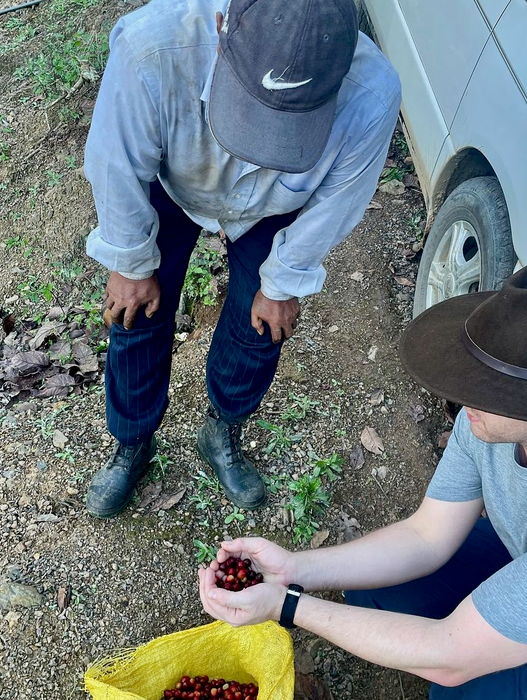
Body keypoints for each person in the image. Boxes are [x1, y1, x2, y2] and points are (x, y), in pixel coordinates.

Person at [198, 261, 527, 699]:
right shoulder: (490, 420)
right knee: (376, 590)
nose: (465, 395)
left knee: (473, 684)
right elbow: (427, 535)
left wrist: (286, 606)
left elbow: (451, 658)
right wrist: (294, 570)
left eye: (495, 388)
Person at [82, 0, 401, 517]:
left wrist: (282, 284)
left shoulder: (373, 93)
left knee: (262, 324)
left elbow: (336, 202)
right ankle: (132, 442)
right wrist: (130, 262)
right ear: (220, 25)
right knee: (137, 309)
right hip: (173, 180)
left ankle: (222, 429)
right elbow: (114, 163)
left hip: (274, 207)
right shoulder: (152, 47)